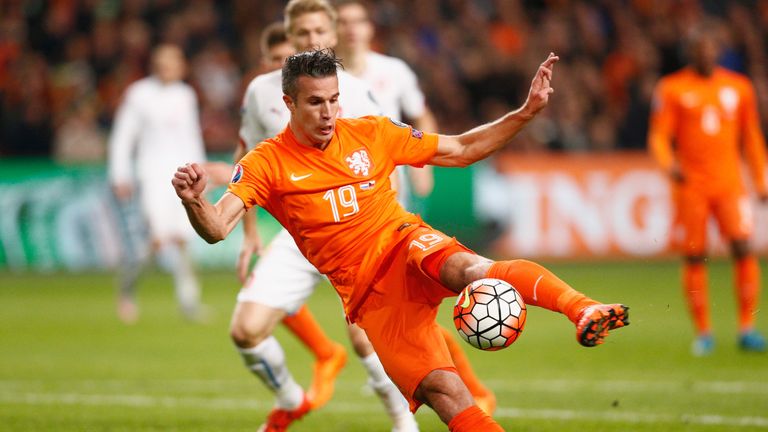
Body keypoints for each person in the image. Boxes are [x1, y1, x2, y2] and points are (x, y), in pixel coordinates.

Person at [173, 48, 629, 431]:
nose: (329, 113)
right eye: (315, 102)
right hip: (371, 297)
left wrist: (526, 112)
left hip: (404, 243)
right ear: (288, 103)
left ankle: (583, 309)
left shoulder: (372, 132)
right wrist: (195, 202)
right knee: (444, 392)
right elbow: (217, 228)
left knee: (471, 270)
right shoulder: (266, 163)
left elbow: (461, 148)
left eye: (334, 99)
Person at [230, 2, 420, 431]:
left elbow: (385, 156)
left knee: (365, 336)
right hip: (301, 236)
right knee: (246, 330)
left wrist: (393, 226)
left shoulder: (354, 91)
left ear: (331, 35)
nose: (311, 40)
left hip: (359, 233)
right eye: (302, 33)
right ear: (289, 36)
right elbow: (247, 160)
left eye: (319, 31)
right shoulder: (261, 91)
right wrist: (249, 232)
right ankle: (290, 398)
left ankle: (403, 423)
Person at [335, 0, 497, 413]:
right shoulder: (324, 80)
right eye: (343, 22)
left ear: (369, 28)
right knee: (399, 318)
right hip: (342, 207)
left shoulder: (394, 71)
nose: (351, 29)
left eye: (357, 21)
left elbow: (420, 114)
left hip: (386, 198)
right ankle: (455, 389)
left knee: (393, 317)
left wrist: (423, 165)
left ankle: (422, 399)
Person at [648, 25, 768, 356]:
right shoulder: (672, 88)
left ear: (718, 50)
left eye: (710, 48)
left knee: (743, 247)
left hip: (730, 184)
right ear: (690, 53)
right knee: (694, 254)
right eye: (699, 49)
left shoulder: (739, 87)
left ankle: (747, 327)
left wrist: (761, 178)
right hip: (692, 186)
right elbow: (659, 135)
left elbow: (751, 136)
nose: (705, 54)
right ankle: (703, 332)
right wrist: (668, 164)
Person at [108, 44, 207, 323]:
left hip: (183, 176)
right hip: (152, 176)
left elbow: (192, 137)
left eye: (173, 63)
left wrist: (202, 173)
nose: (168, 68)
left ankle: (189, 302)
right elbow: (123, 136)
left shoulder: (185, 95)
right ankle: (127, 289)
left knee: (183, 239)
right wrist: (120, 174)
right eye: (163, 63)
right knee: (156, 240)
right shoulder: (139, 94)